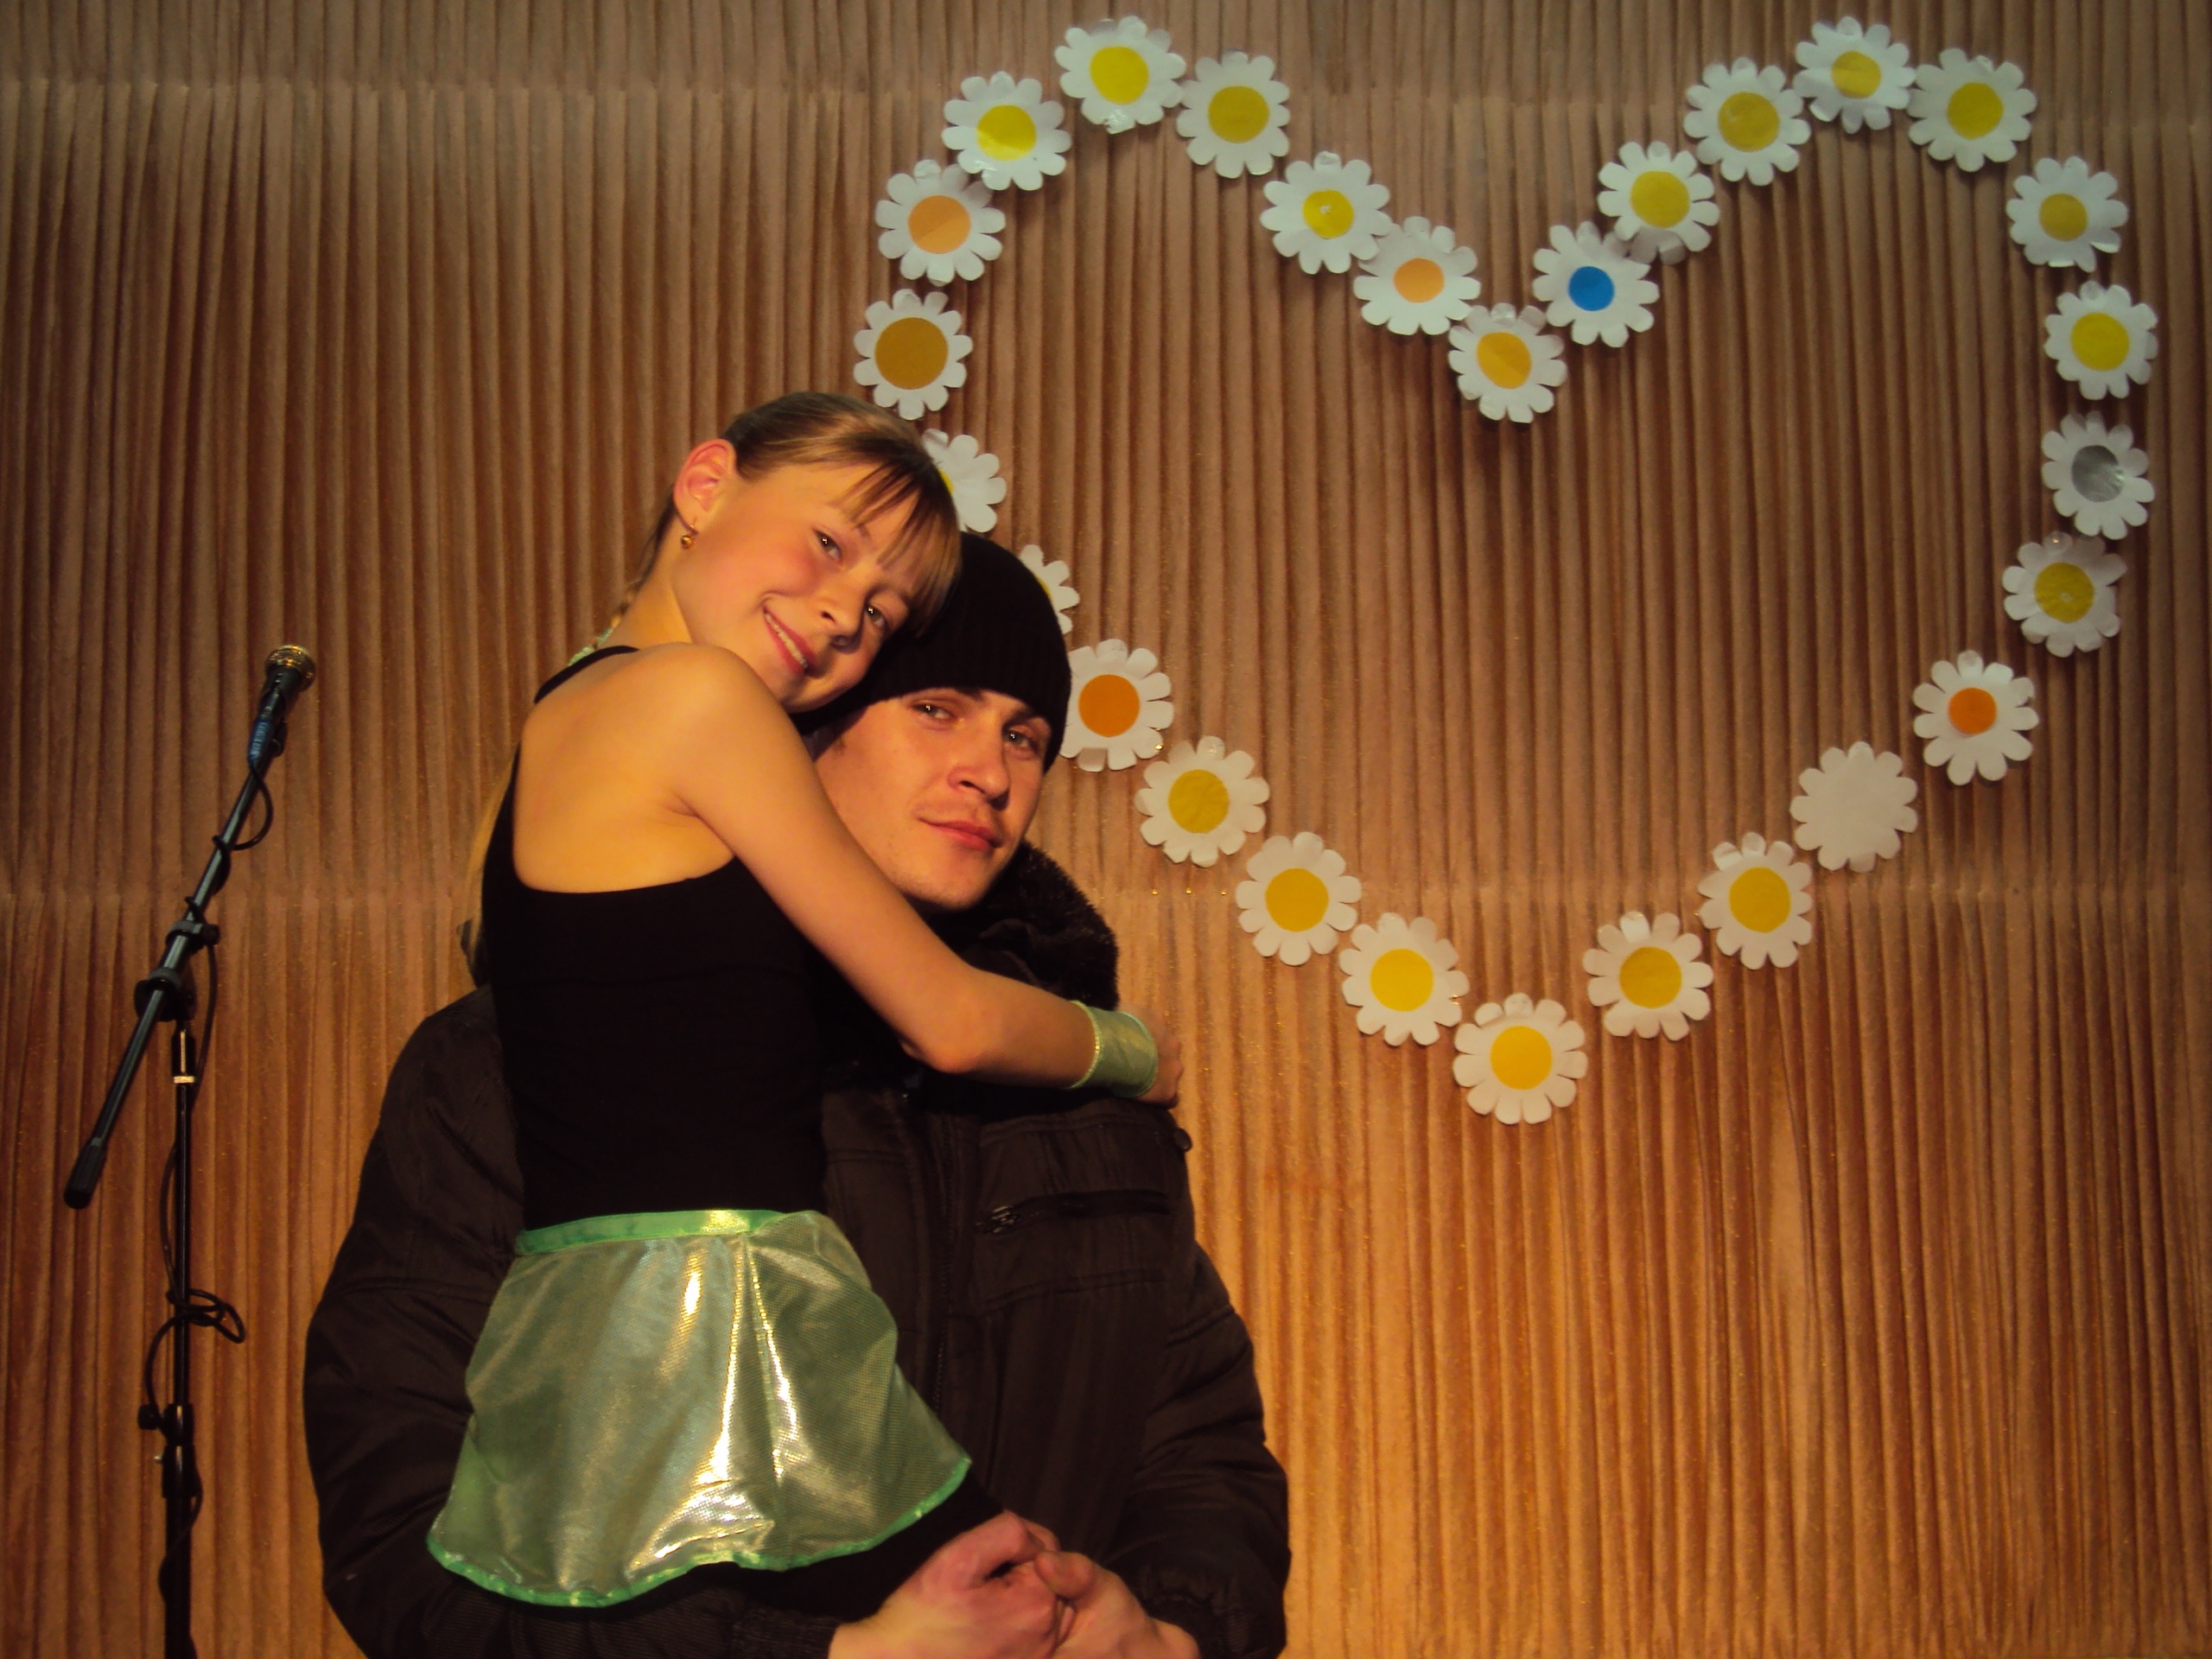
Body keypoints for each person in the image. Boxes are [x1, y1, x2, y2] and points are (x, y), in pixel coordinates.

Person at [303, 535, 1290, 1658]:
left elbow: (1202, 1449)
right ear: (796, 734)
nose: (993, 771)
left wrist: (1170, 1635)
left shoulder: (1079, 1083)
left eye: (1025, 734)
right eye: (937, 709)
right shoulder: (519, 1060)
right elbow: (403, 1530)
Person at [432, 395, 1179, 1618]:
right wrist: (1134, 1052)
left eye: (883, 611)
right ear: (705, 485)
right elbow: (950, 1019)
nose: (844, 612)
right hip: (731, 1331)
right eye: (830, 544)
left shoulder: (567, 713)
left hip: (601, 1341)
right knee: (1033, 1615)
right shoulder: (696, 698)